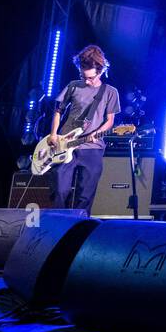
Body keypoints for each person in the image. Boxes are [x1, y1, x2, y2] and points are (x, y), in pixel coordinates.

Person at [47, 45, 120, 214]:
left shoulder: (110, 92)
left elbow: (110, 121)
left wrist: (96, 133)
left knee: (85, 196)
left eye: (90, 78)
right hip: (65, 145)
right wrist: (53, 134)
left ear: (101, 71)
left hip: (92, 149)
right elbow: (58, 111)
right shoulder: (73, 86)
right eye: (83, 76)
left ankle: (79, 230)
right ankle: (57, 225)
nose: (86, 81)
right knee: (59, 190)